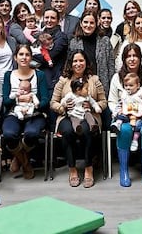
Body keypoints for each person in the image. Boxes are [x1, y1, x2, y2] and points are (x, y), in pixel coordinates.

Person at [50, 50, 107, 188]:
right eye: (75, 61)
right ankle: (72, 169)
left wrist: (93, 106)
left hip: (89, 116)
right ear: (70, 63)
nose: (78, 64)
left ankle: (88, 167)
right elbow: (53, 103)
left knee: (87, 130)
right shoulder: (63, 81)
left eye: (81, 60)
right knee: (68, 131)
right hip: (68, 116)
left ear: (86, 62)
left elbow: (104, 102)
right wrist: (63, 107)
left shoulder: (94, 80)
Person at [108, 43, 142, 187]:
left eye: (135, 55)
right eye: (128, 56)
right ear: (123, 59)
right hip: (124, 115)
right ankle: (124, 172)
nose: (132, 59)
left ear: (140, 58)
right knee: (124, 130)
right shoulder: (117, 78)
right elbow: (112, 100)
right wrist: (117, 112)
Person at [2, 44, 49, 179]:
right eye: (21, 54)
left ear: (31, 58)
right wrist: (19, 99)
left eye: (27, 55)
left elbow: (45, 99)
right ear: (15, 58)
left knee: (31, 134)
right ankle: (26, 162)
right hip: (14, 112)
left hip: (35, 113)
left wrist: (33, 103)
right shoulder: (8, 75)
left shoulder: (39, 75)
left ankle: (18, 156)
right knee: (9, 134)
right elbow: (5, 100)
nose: (24, 57)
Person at [69, 10, 115, 97]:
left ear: (97, 24)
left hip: (102, 86)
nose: (88, 25)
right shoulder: (74, 42)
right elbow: (71, 66)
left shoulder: (105, 41)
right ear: (81, 23)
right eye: (85, 22)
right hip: (81, 87)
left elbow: (111, 66)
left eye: (91, 23)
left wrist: (112, 88)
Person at [110, 73, 142, 152]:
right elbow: (120, 104)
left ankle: (135, 140)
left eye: (131, 85)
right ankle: (117, 124)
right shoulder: (124, 94)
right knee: (120, 115)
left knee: (139, 125)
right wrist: (116, 112)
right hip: (127, 115)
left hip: (138, 116)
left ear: (138, 85)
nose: (128, 88)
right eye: (126, 86)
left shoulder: (141, 93)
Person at [32, 8, 68, 97]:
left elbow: (49, 56)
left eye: (52, 18)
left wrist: (32, 57)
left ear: (58, 20)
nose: (49, 20)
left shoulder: (61, 37)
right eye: (46, 17)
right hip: (39, 78)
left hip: (53, 80)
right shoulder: (39, 35)